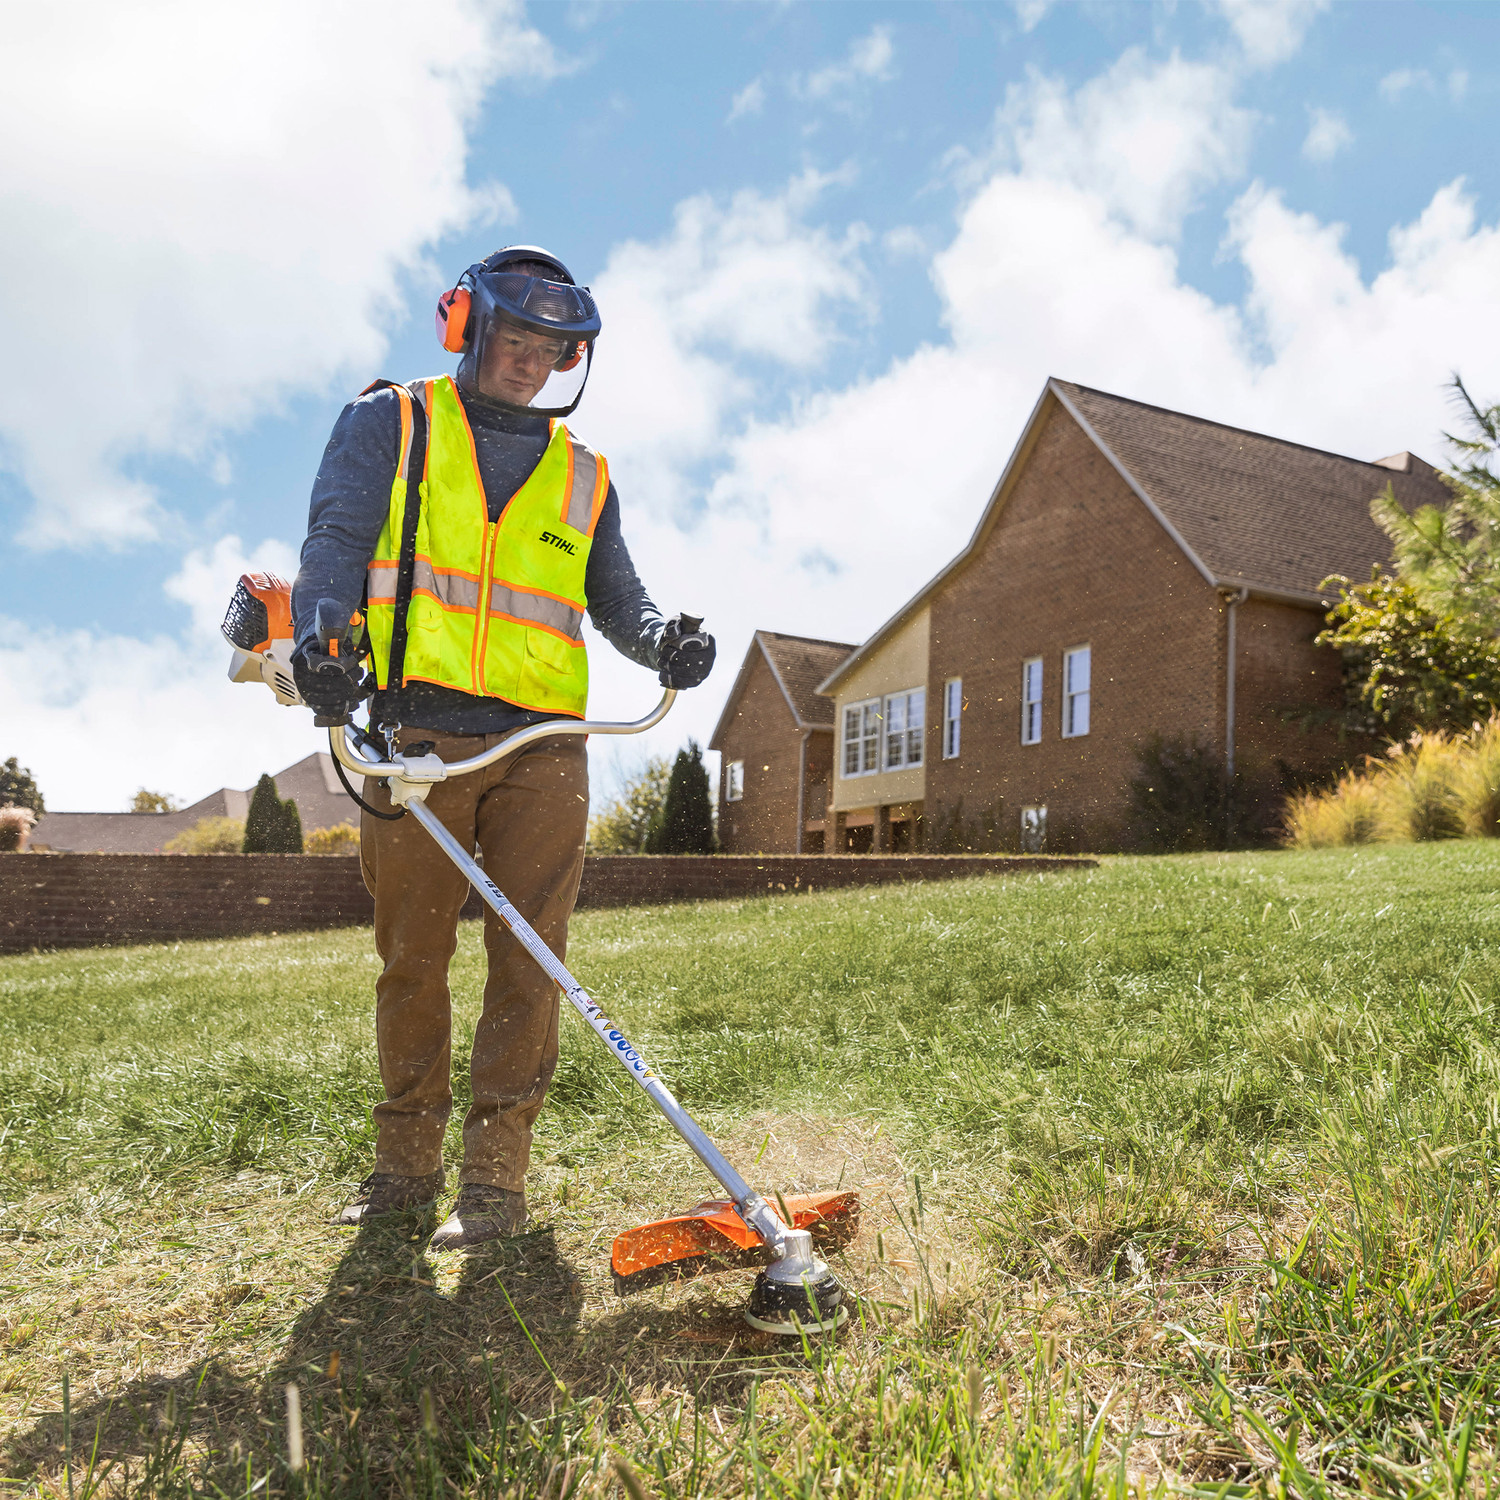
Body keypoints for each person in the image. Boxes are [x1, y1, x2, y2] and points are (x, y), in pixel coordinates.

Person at [289, 246, 715, 1249]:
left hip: (545, 749)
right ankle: (403, 1172)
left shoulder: (584, 475)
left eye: (554, 348)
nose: (532, 362)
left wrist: (664, 642)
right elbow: (334, 549)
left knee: (532, 968)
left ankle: (494, 1186)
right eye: (517, 338)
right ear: (467, 327)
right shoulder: (388, 424)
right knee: (414, 960)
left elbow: (620, 600)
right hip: (417, 739)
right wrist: (320, 643)